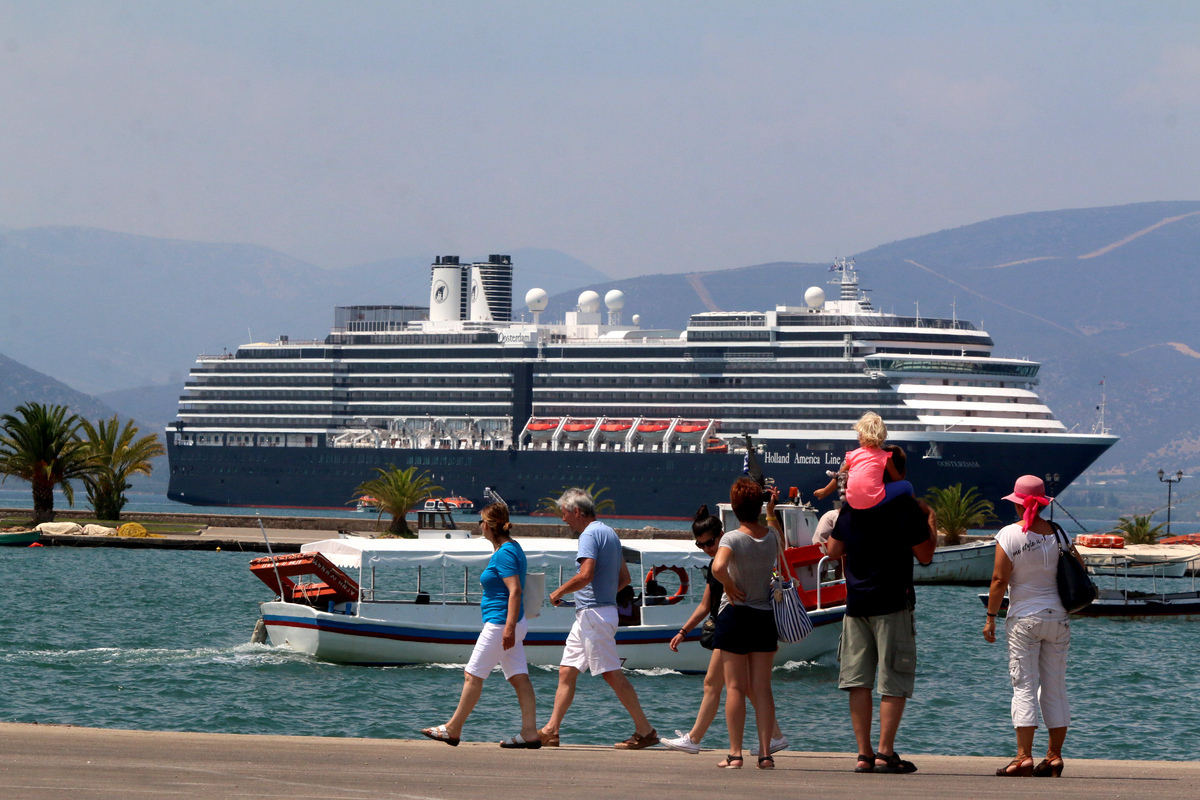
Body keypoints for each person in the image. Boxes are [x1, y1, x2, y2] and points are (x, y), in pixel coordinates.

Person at [825, 445, 936, 774]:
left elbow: (832, 550)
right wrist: (929, 519)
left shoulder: (853, 506)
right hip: (892, 601)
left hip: (856, 604)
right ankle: (886, 753)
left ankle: (863, 754)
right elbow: (926, 555)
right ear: (897, 473)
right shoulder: (906, 506)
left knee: (859, 682)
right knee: (893, 679)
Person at [538, 487, 659, 749]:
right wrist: (599, 596)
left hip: (594, 615)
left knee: (611, 674)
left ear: (577, 511)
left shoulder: (589, 535)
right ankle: (551, 730)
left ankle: (646, 730)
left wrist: (559, 591)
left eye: (565, 514)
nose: (563, 520)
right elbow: (625, 579)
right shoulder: (610, 533)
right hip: (593, 613)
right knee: (566, 670)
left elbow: (586, 574)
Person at [662, 505, 787, 757]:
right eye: (701, 546)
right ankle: (772, 737)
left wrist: (728, 585)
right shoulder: (722, 560)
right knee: (736, 686)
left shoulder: (727, 556)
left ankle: (705, 741)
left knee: (732, 686)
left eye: (709, 543)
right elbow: (705, 605)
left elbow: (708, 604)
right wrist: (684, 631)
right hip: (737, 624)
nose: (707, 549)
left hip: (733, 625)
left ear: (721, 534)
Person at [419, 502, 540, 748]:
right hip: (513, 622)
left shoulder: (505, 552)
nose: (479, 526)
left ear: (489, 525)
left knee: (472, 675)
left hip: (500, 623)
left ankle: (452, 729)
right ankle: (529, 733)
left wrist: (507, 628)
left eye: (480, 522)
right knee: (520, 678)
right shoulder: (513, 547)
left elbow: (515, 591)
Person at [983, 475, 1078, 778]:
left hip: (1024, 618)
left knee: (1024, 686)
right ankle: (1054, 757)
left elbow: (999, 580)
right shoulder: (1059, 533)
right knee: (1055, 688)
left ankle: (1023, 756)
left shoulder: (1010, 534)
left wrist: (990, 618)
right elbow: (1080, 569)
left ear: (1018, 504)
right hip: (1058, 618)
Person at [710, 478, 782, 770]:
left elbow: (717, 567)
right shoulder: (772, 536)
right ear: (759, 505)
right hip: (764, 614)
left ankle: (736, 753)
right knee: (763, 687)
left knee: (736, 687)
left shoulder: (731, 538)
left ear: (735, 508)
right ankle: (765, 754)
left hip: (736, 614)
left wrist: (728, 584)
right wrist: (771, 511)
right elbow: (782, 550)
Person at [814, 412, 913, 509]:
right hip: (874, 501)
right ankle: (916, 506)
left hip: (852, 501)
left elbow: (840, 475)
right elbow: (897, 480)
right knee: (906, 485)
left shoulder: (853, 455)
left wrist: (825, 491)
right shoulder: (885, 457)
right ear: (883, 436)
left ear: (861, 435)